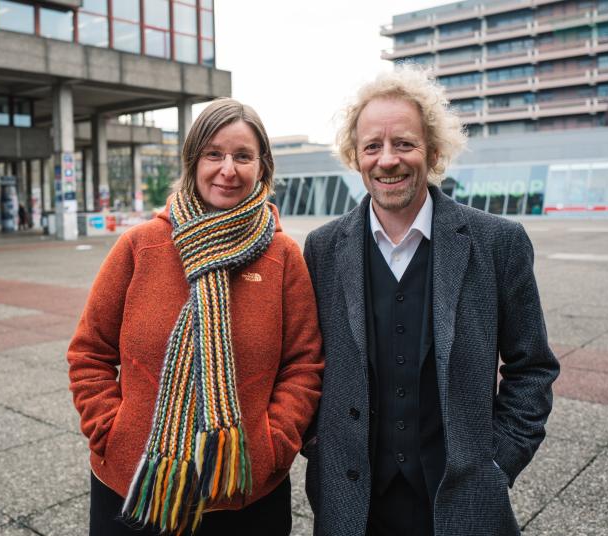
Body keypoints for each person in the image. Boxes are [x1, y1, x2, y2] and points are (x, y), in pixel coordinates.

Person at [302, 67, 559, 536]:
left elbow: (533, 367)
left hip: (463, 497)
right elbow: (302, 361)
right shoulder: (322, 248)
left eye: (404, 143)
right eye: (372, 147)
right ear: (355, 156)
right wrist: (316, 444)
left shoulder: (498, 242)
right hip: (352, 503)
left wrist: (499, 460)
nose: (387, 160)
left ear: (434, 150)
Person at [68, 98, 323, 536]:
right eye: (214, 154)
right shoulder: (140, 246)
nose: (228, 169)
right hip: (135, 485)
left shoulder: (283, 256)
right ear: (193, 160)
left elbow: (304, 365)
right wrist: (111, 430)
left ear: (262, 167)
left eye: (243, 156)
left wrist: (272, 444)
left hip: (245, 492)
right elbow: (89, 352)